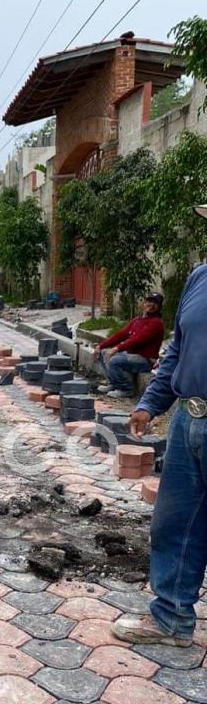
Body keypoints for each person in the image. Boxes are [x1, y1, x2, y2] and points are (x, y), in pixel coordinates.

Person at [113, 212, 207, 647]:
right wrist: (150, 403)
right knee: (175, 523)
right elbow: (177, 351)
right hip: (190, 418)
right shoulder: (199, 278)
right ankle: (170, 617)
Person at [94, 294, 165, 398]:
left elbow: (138, 340)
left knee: (115, 361)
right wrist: (100, 346)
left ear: (159, 307)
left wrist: (116, 348)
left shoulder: (156, 323)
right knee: (103, 352)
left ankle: (126, 389)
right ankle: (113, 383)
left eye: (155, 303)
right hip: (132, 355)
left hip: (145, 360)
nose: (151, 304)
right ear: (144, 303)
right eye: (149, 301)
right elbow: (121, 335)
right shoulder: (137, 320)